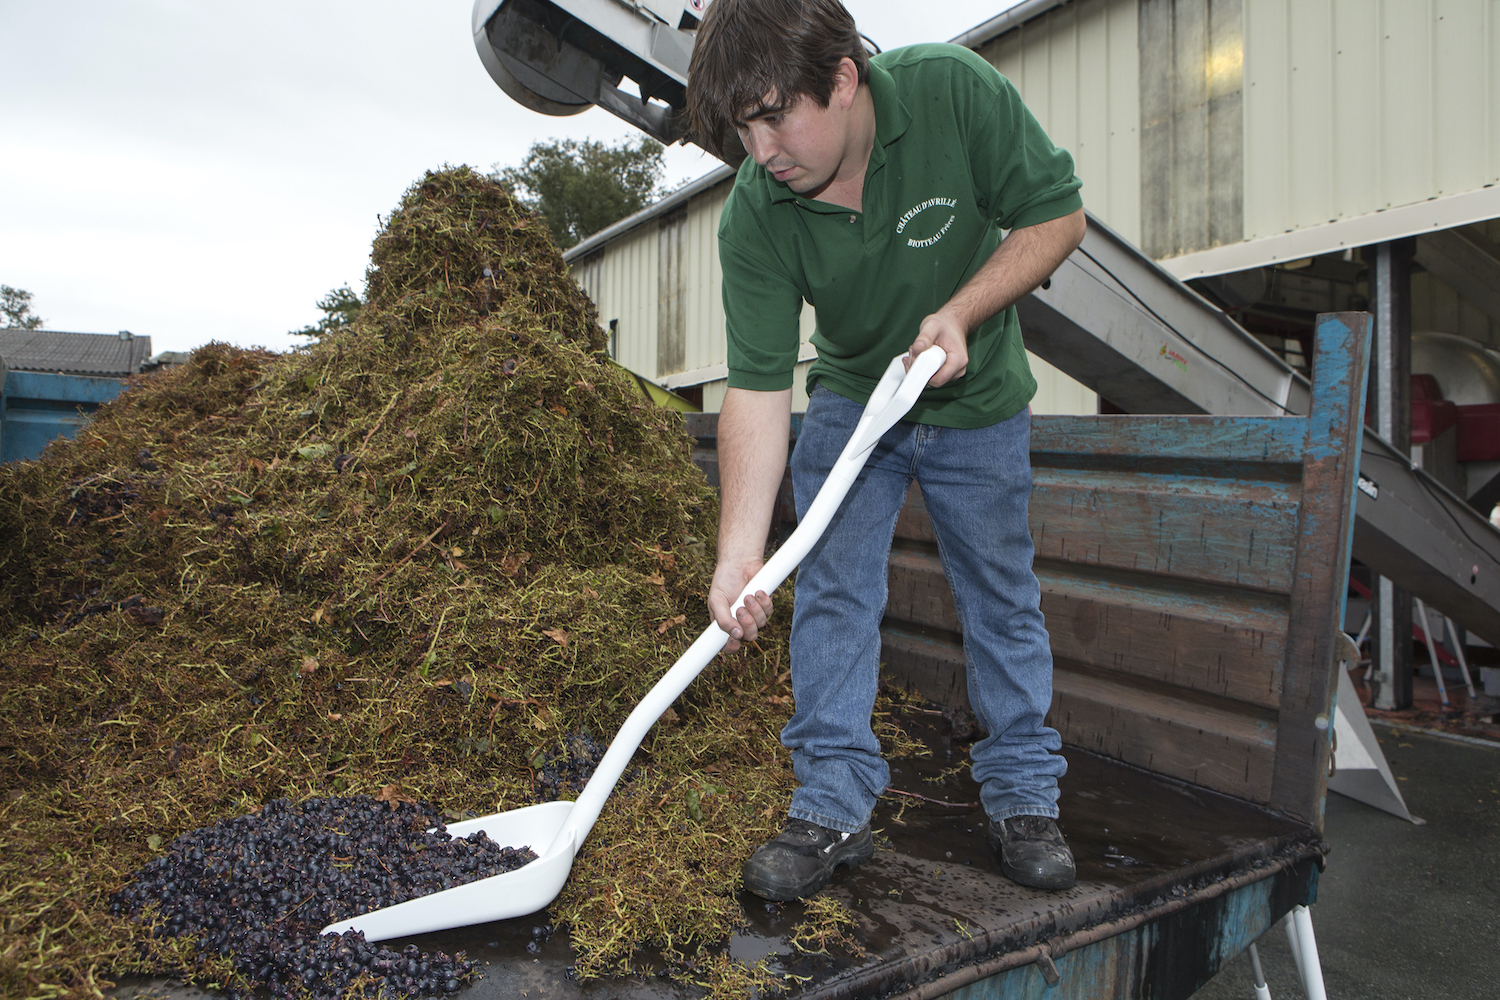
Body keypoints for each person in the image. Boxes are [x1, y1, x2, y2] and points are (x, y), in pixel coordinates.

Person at [686, 0, 1087, 902]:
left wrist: (964, 312)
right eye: (743, 129)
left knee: (1000, 594)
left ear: (840, 78)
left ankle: (1023, 795)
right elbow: (756, 386)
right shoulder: (757, 210)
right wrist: (740, 554)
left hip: (976, 400)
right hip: (851, 405)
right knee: (831, 593)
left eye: (774, 114)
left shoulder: (952, 93)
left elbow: (1056, 217)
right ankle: (831, 806)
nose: (762, 151)